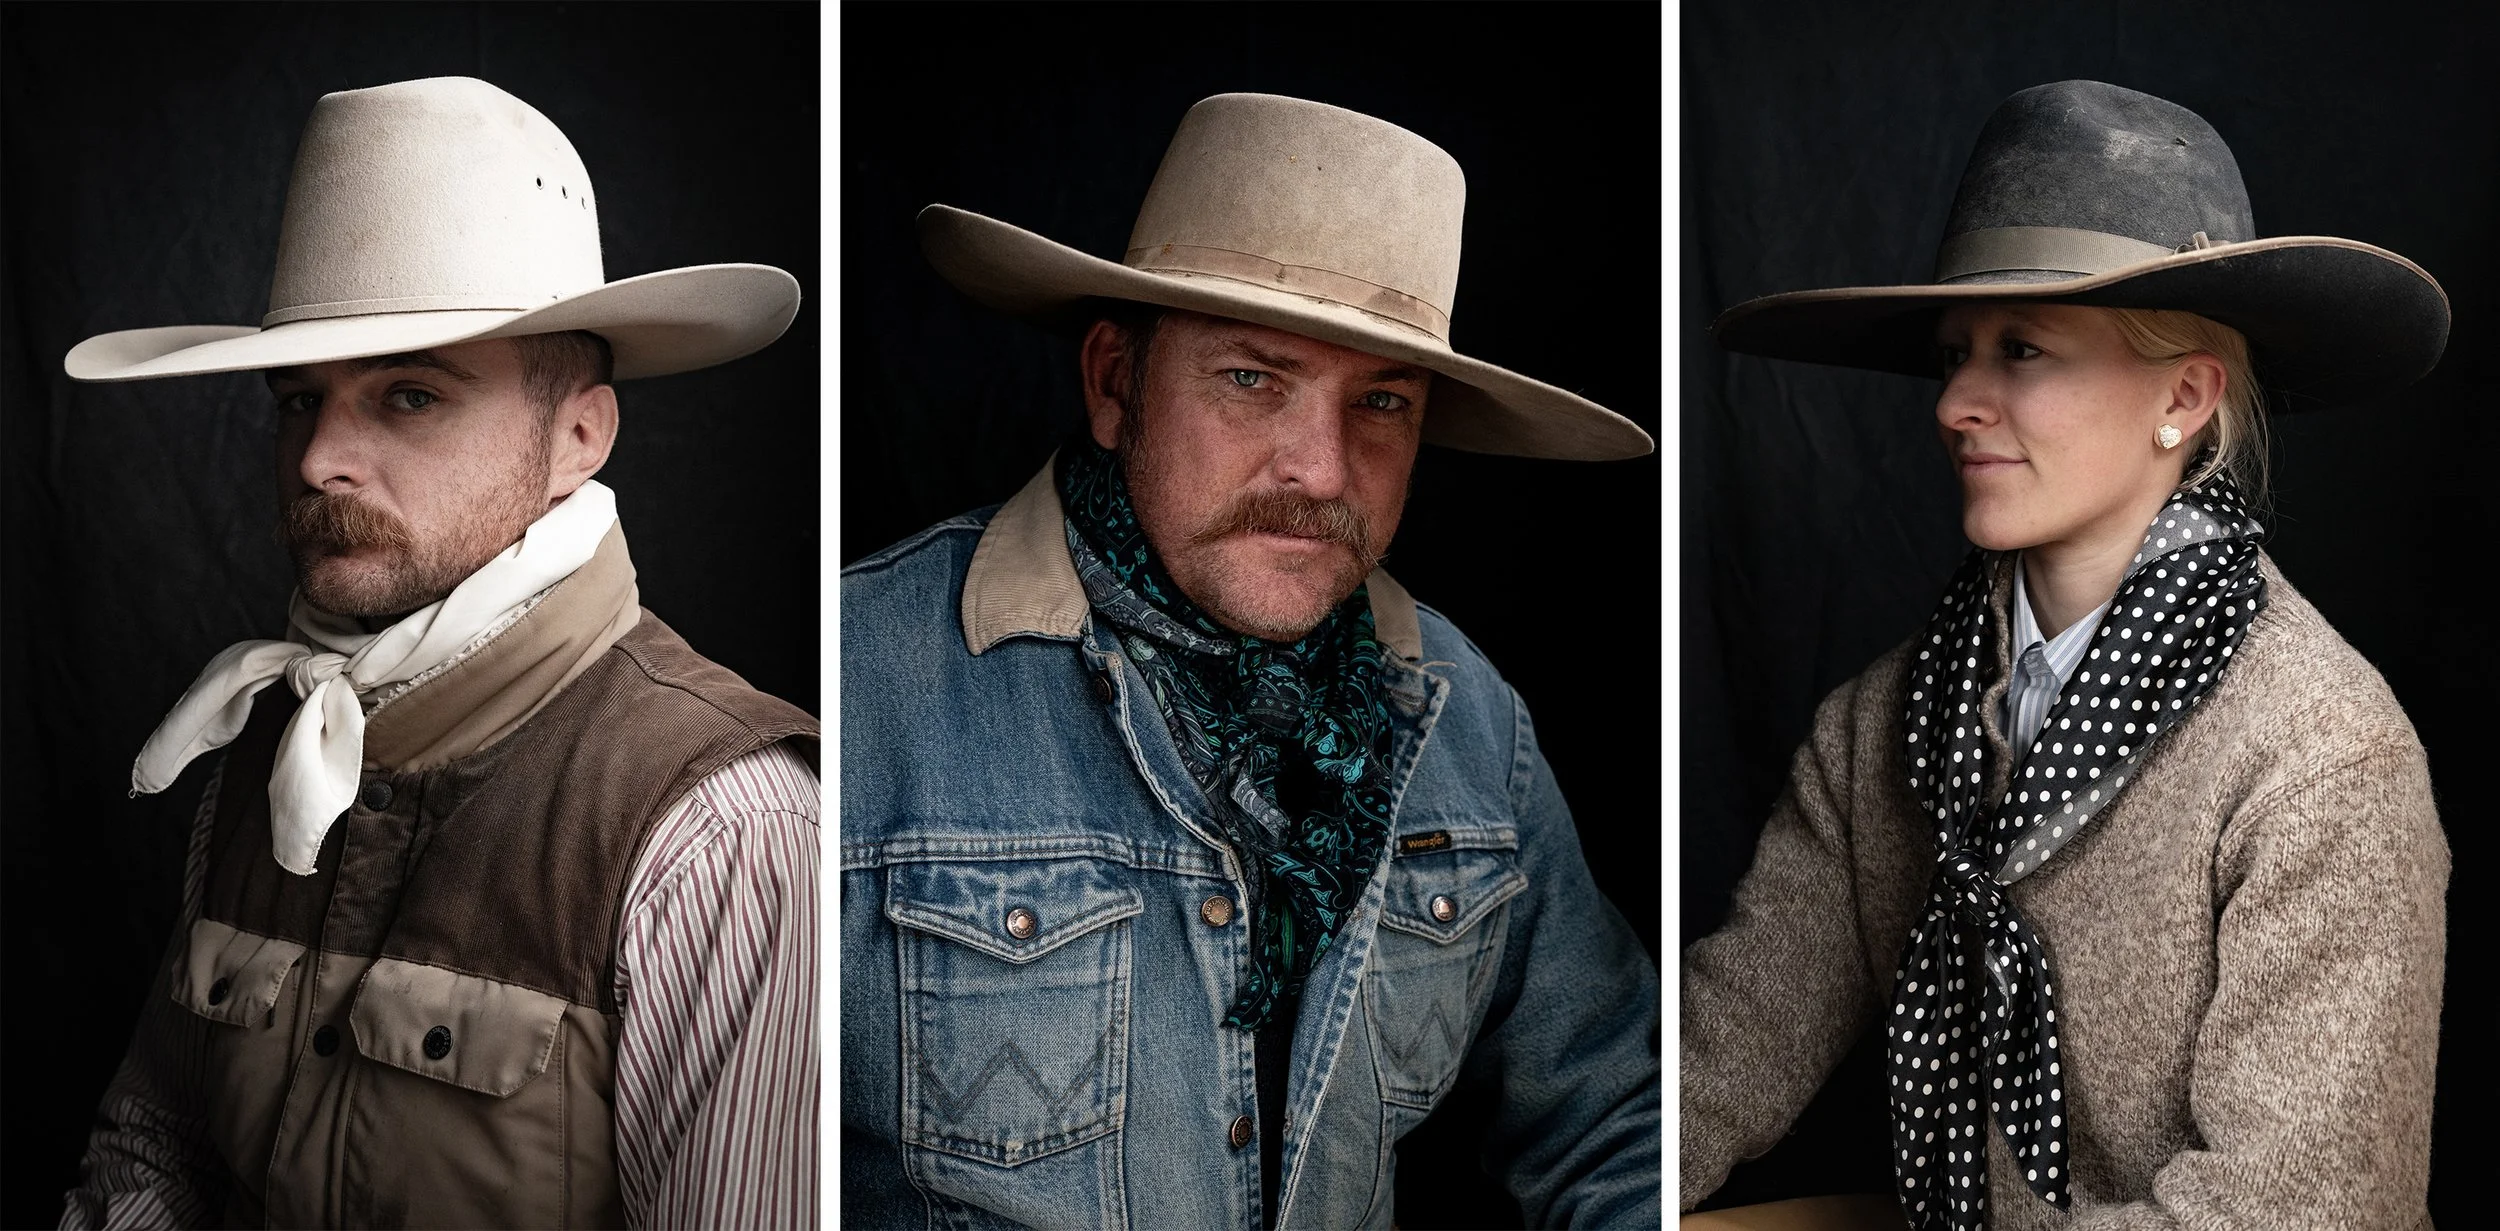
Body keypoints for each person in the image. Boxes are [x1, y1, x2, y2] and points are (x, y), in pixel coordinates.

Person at [841, 93, 1663, 1228]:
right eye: (1252, 379)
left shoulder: (1465, 717)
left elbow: (1614, 1120)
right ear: (1114, 384)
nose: (1321, 470)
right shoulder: (862, 689)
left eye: (1380, 400)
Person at [1681, 81, 2450, 1229]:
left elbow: (2292, 1209)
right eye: (1954, 354)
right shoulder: (1877, 722)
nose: (1954, 404)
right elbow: (1724, 1048)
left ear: (2182, 396)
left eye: (2022, 350)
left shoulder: (2322, 757)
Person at [57, 77, 819, 1228]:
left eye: (408, 395)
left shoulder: (723, 833)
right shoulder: (265, 763)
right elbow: (154, 1148)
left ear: (577, 437)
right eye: (297, 400)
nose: (318, 458)